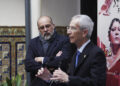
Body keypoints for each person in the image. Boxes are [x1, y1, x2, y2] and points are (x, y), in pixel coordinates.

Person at [50, 14, 107, 86]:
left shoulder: (96, 53)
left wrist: (68, 79)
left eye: (73, 28)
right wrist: (49, 78)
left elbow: (97, 83)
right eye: (68, 28)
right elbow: (70, 81)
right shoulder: (76, 52)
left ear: (84, 32)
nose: (68, 32)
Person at [25, 16, 76, 86]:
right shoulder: (33, 42)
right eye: (42, 27)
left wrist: (43, 59)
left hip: (57, 83)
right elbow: (28, 65)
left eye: (47, 26)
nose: (45, 29)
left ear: (53, 26)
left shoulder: (64, 40)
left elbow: (64, 60)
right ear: (39, 29)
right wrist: (51, 64)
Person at [106, 18, 120, 86]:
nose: (116, 33)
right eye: (113, 30)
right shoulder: (102, 54)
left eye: (119, 30)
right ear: (109, 35)